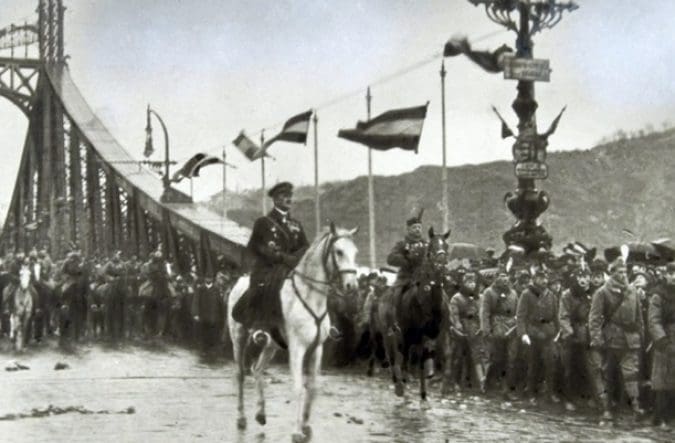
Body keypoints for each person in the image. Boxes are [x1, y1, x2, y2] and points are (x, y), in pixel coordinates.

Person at [231, 181, 309, 348]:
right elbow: (254, 246)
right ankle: (260, 325)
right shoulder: (263, 222)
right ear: (275, 200)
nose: (288, 199)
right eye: (283, 196)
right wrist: (273, 255)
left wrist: (293, 259)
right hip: (268, 267)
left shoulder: (296, 224)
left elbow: (305, 247)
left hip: (290, 267)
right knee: (263, 286)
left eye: (290, 196)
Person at [589, 257, 645, 420]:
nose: (623, 275)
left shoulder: (632, 290)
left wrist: (641, 334)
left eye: (624, 272)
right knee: (607, 374)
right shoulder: (602, 292)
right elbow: (594, 318)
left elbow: (638, 316)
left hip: (630, 339)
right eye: (619, 272)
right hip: (610, 339)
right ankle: (606, 407)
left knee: (631, 373)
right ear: (612, 273)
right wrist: (597, 339)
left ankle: (635, 406)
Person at [516, 267, 560, 404]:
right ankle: (530, 393)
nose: (543, 281)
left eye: (545, 278)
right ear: (534, 279)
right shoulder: (526, 294)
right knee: (532, 364)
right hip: (532, 332)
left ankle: (550, 392)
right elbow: (521, 316)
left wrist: (558, 332)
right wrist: (523, 333)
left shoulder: (551, 295)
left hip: (548, 333)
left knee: (550, 363)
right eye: (540, 278)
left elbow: (556, 316)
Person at [480, 264, 519, 400]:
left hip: (511, 328)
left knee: (511, 359)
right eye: (501, 276)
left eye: (506, 276)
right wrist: (486, 331)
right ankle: (489, 385)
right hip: (496, 328)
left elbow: (517, 311)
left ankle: (506, 389)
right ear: (496, 277)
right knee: (496, 359)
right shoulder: (489, 292)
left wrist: (516, 323)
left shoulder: (513, 293)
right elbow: (485, 313)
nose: (504, 279)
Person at [558, 267, 595, 411]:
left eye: (586, 277)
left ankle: (585, 397)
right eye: (580, 277)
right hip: (571, 335)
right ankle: (568, 398)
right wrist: (570, 333)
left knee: (587, 367)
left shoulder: (593, 294)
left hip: (587, 334)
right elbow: (563, 316)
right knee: (569, 368)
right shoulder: (568, 294)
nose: (583, 280)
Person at [647, 262, 675, 428]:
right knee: (662, 381)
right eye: (670, 273)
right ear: (665, 275)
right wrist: (663, 341)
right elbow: (654, 321)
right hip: (664, 342)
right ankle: (660, 417)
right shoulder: (658, 295)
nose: (673, 277)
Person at [386, 210, 428, 313]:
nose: (417, 230)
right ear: (408, 229)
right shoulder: (402, 244)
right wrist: (406, 260)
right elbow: (391, 258)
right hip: (406, 277)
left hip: (423, 278)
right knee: (395, 296)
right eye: (414, 228)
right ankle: (395, 319)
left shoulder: (426, 244)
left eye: (419, 227)